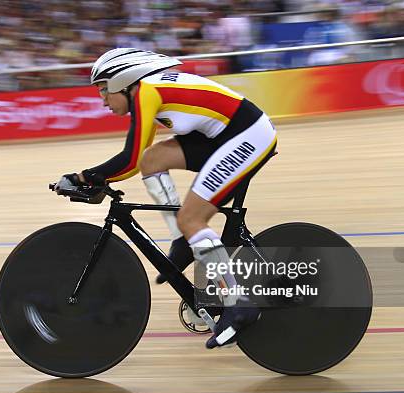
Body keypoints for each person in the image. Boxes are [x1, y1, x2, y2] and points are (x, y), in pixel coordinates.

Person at [56, 48, 277, 349]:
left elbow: (128, 161)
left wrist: (84, 177)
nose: (103, 100)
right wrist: (97, 177)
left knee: (192, 218)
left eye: (104, 90)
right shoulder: (148, 91)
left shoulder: (148, 92)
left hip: (247, 136)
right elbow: (140, 160)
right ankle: (183, 241)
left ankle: (239, 304)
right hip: (227, 135)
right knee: (154, 159)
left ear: (123, 81)